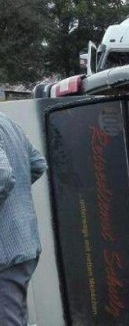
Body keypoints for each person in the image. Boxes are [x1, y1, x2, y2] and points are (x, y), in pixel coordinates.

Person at [0, 112, 48, 326]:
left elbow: (2, 176)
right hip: (22, 243)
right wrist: (15, 200)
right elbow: (37, 164)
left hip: (5, 252)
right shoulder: (7, 121)